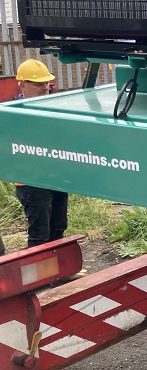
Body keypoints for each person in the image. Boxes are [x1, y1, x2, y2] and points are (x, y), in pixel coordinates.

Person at [14, 59, 69, 248]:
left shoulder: (52, 108)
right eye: (39, 84)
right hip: (32, 181)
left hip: (56, 177)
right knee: (40, 233)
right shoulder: (12, 114)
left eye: (47, 83)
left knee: (58, 227)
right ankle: (40, 277)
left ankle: (59, 272)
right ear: (22, 85)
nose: (45, 87)